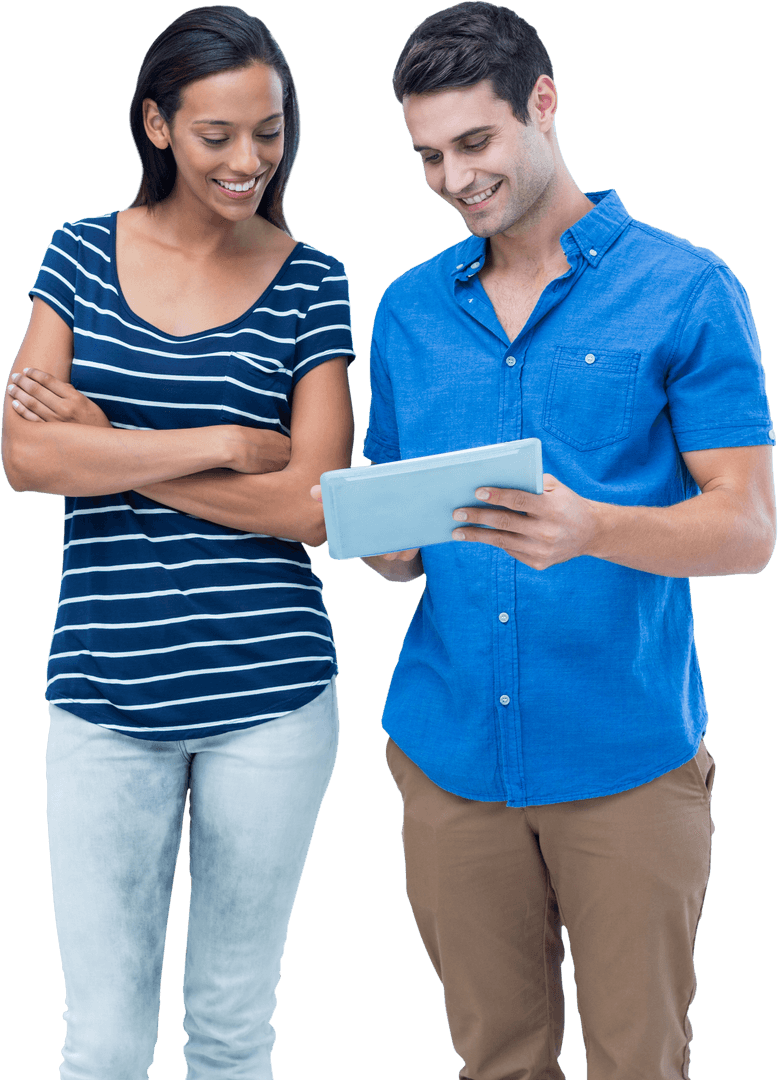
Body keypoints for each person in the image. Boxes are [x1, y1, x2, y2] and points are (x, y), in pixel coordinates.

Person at [359, 4, 776, 1079]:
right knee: (496, 1060)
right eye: (429, 156)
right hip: (449, 760)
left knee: (640, 1060)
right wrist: (392, 548)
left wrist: (594, 527)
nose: (453, 178)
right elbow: (396, 503)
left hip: (624, 761)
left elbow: (747, 526)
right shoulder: (409, 311)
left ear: (540, 104)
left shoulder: (686, 289)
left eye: (474, 143)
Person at [1, 6, 354, 1079]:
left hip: (273, 699)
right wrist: (212, 444)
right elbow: (26, 460)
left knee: (232, 1030)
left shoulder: (312, 281)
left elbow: (314, 506)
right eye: (217, 136)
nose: (248, 160)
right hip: (105, 696)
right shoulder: (76, 254)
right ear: (157, 125)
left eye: (269, 132)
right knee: (102, 1040)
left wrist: (112, 441)